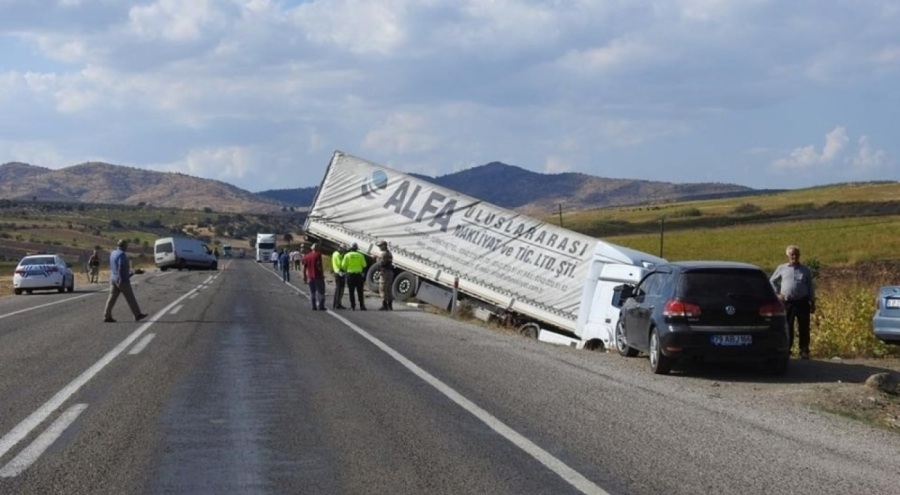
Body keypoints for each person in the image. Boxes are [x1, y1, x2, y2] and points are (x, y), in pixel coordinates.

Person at [770, 244, 816, 359]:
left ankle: (804, 351)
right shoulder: (782, 268)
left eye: (796, 254)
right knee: (788, 327)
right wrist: (777, 294)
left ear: (799, 255)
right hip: (788, 303)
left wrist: (812, 302)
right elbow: (771, 281)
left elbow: (810, 286)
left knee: (804, 327)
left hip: (802, 302)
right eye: (792, 254)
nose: (794, 256)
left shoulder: (805, 270)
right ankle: (787, 350)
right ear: (788, 255)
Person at [102, 239, 148, 323]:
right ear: (124, 246)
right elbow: (121, 267)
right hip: (122, 280)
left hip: (113, 278)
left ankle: (106, 315)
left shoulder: (113, 253)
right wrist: (121, 279)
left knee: (111, 298)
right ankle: (137, 314)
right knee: (130, 298)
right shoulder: (122, 254)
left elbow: (113, 266)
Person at [341, 243, 368, 311]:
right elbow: (364, 265)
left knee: (351, 291)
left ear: (350, 248)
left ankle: (352, 306)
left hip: (350, 275)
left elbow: (343, 266)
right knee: (360, 291)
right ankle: (362, 306)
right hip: (358, 275)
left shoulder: (347, 255)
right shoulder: (360, 255)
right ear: (357, 248)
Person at [302, 243, 327, 310]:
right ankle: (321, 306)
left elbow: (304, 268)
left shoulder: (307, 256)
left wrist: (304, 277)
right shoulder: (318, 255)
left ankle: (313, 306)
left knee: (312, 292)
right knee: (321, 292)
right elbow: (319, 266)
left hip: (310, 277)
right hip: (318, 276)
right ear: (317, 248)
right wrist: (322, 274)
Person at [376, 240, 394, 310]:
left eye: (380, 246)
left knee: (382, 289)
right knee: (388, 289)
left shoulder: (384, 254)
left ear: (384, 245)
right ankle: (390, 305)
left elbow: (381, 263)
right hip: (389, 272)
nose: (379, 247)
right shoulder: (389, 253)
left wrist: (377, 260)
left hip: (385, 273)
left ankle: (385, 305)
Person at [331, 245, 348, 309]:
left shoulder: (335, 254)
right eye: (343, 249)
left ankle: (337, 304)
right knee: (340, 289)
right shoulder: (338, 255)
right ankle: (337, 304)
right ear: (340, 248)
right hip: (339, 273)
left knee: (339, 289)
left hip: (337, 272)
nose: (343, 251)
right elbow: (341, 265)